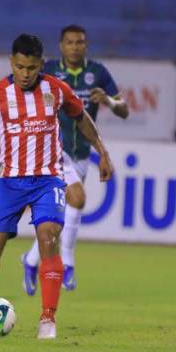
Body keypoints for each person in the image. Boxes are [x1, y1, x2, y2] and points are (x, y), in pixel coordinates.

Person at [0, 34, 113, 340]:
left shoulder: (56, 89)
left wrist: (103, 150)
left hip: (47, 179)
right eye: (20, 67)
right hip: (8, 182)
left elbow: (81, 117)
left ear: (41, 65)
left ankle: (48, 319)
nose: (26, 73)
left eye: (32, 67)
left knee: (48, 237)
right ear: (11, 63)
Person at [22, 24, 127, 295]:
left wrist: (109, 102)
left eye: (80, 42)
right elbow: (22, 91)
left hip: (82, 155)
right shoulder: (49, 71)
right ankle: (67, 262)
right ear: (61, 46)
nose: (75, 47)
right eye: (69, 42)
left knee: (59, 218)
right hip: (54, 149)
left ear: (86, 45)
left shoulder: (98, 73)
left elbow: (123, 110)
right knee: (77, 198)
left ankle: (31, 260)